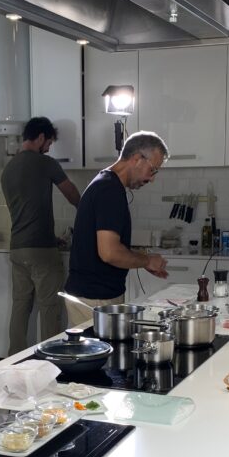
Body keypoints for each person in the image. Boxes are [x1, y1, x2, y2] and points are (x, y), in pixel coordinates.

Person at [64, 131, 169, 326]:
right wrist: (146, 260)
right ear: (137, 159)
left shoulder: (107, 185)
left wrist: (143, 260)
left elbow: (110, 247)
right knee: (97, 356)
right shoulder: (109, 190)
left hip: (96, 296)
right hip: (94, 298)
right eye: (153, 170)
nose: (152, 178)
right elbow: (109, 253)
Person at [1, 116, 80, 353]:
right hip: (42, 251)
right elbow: (72, 194)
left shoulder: (8, 169)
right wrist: (89, 216)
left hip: (18, 248)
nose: (49, 148)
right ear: (41, 137)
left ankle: (14, 359)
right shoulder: (45, 163)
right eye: (49, 143)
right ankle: (52, 359)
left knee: (20, 306)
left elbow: (26, 211)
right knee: (50, 307)